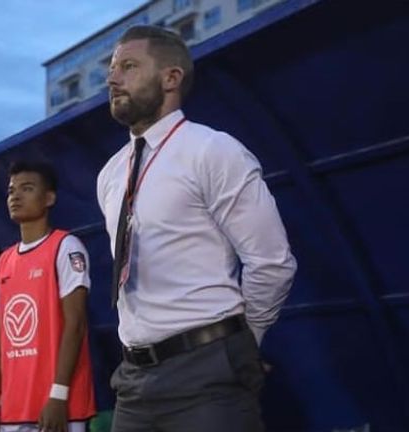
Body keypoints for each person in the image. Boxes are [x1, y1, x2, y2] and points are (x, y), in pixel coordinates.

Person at [97, 25, 297, 431]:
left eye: (129, 66)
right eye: (112, 68)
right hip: (133, 381)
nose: (112, 78)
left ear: (171, 78)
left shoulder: (213, 150)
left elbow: (272, 263)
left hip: (208, 376)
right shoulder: (110, 174)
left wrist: (242, 343)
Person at [0, 162, 96, 432]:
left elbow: (76, 324)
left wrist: (58, 394)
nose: (16, 196)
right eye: (11, 191)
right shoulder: (3, 262)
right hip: (13, 408)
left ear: (49, 198)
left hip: (57, 407)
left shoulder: (65, 246)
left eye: (27, 189)